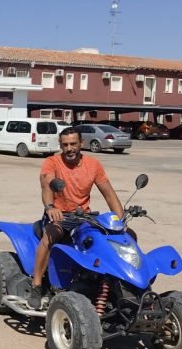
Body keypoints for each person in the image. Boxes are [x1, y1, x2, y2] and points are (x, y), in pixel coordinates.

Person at [28, 127, 124, 309]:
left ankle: (114, 282)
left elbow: (109, 194)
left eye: (73, 144)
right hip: (59, 214)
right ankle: (37, 284)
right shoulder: (52, 162)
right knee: (50, 236)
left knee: (114, 239)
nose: (69, 148)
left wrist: (121, 220)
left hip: (84, 216)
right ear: (61, 145)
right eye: (65, 145)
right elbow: (46, 186)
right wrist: (50, 207)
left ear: (82, 143)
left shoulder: (93, 165)